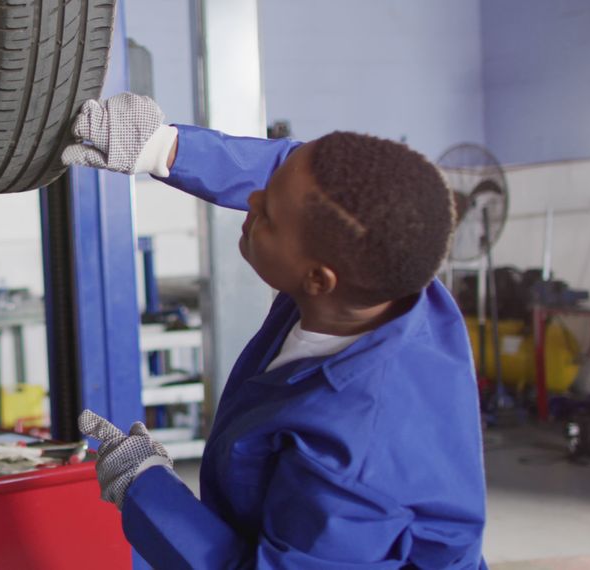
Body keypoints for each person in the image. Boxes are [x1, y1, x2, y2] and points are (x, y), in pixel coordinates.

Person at [65, 94, 487, 569]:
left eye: (267, 215)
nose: (252, 198)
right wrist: (163, 148)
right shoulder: (377, 273)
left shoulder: (352, 460)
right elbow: (291, 170)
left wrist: (146, 489)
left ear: (317, 278)